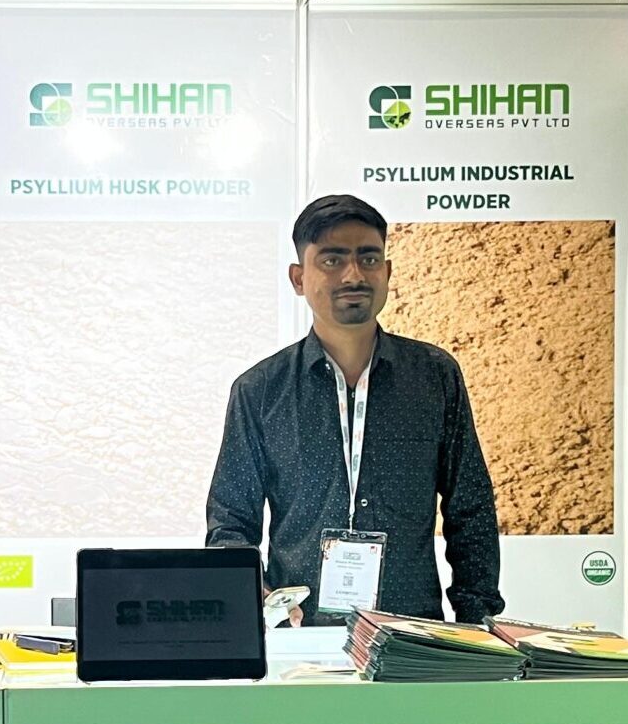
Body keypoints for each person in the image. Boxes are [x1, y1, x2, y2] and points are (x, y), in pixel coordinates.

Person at [206, 193, 503, 626]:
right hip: (299, 633)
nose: (353, 275)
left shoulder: (434, 376)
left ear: (387, 272)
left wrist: (477, 621)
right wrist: (255, 596)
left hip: (411, 633)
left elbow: (470, 506)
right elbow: (231, 520)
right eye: (332, 260)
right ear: (298, 278)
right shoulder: (260, 390)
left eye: (368, 258)